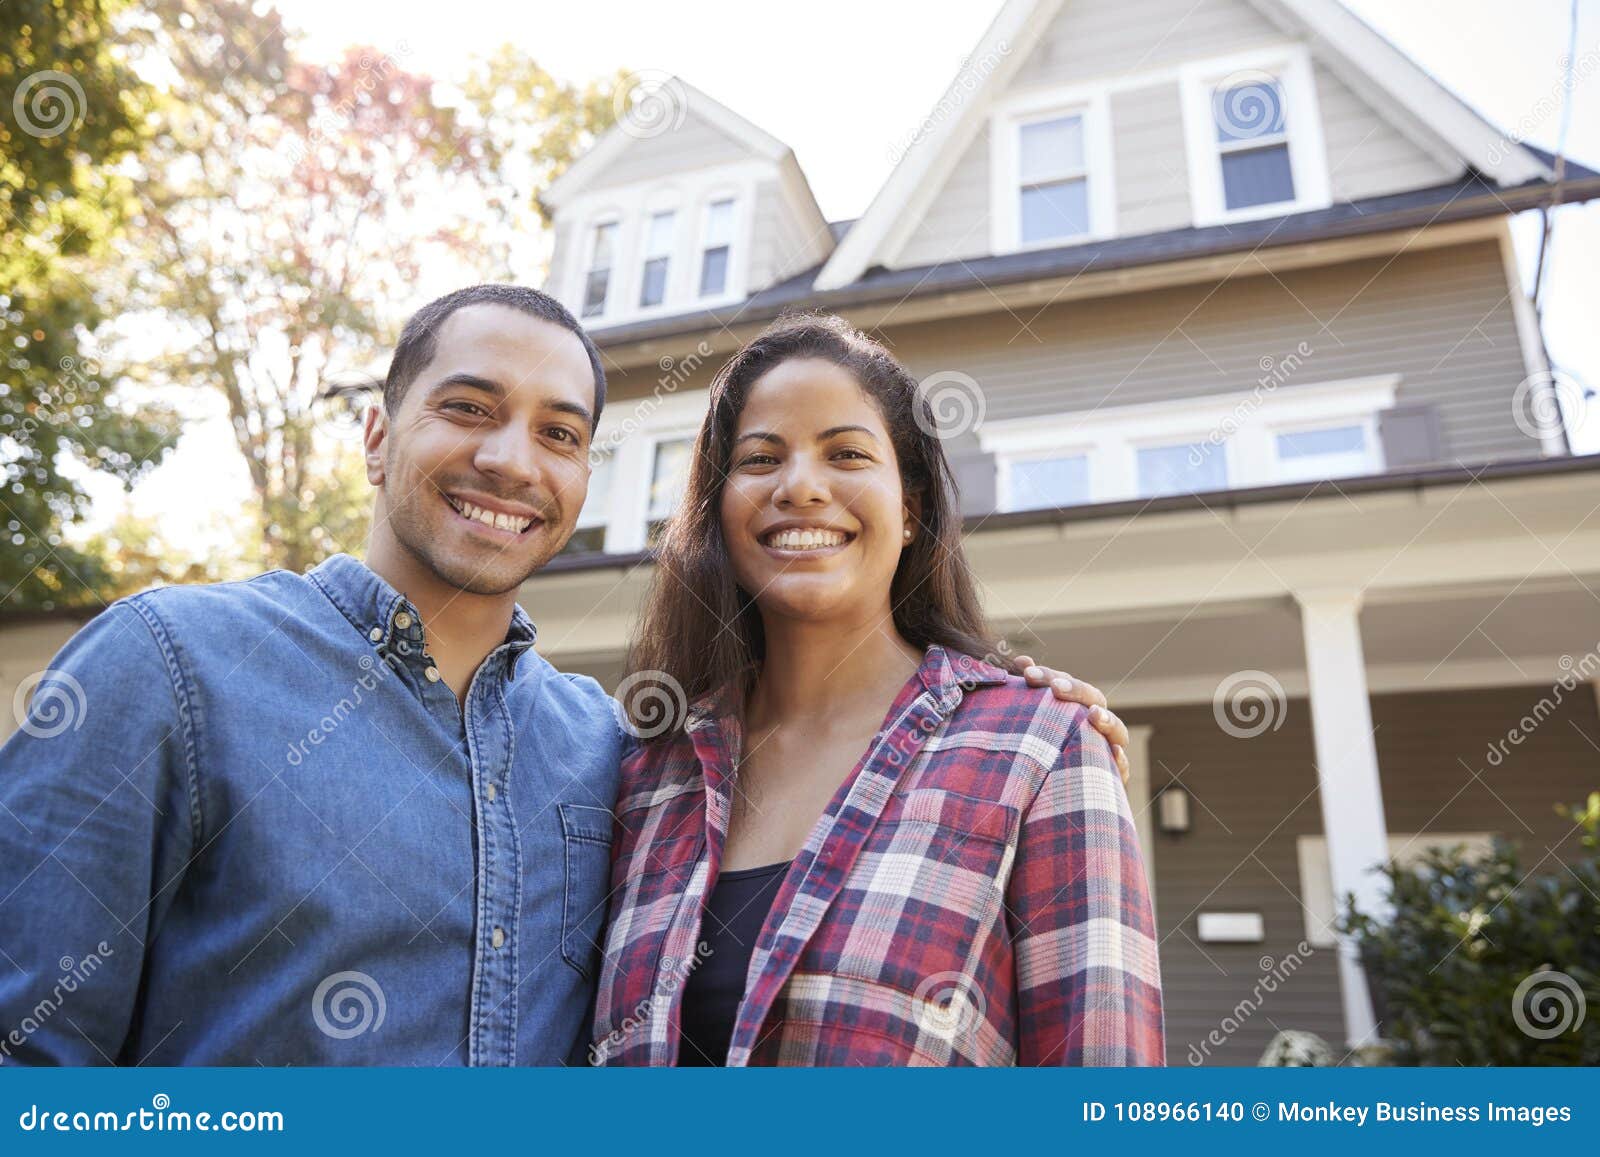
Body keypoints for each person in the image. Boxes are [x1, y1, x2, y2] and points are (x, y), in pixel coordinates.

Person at [0, 286, 1124, 1066]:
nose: (509, 461)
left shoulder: (604, 754)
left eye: (559, 431)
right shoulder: (173, 667)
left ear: (584, 474)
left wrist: (1015, 708)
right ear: (376, 434)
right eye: (469, 408)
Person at [591, 314, 1163, 1067]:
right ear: (717, 513)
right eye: (760, 458)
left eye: (847, 453)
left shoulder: (1042, 751)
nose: (799, 485)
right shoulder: (644, 777)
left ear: (911, 511)